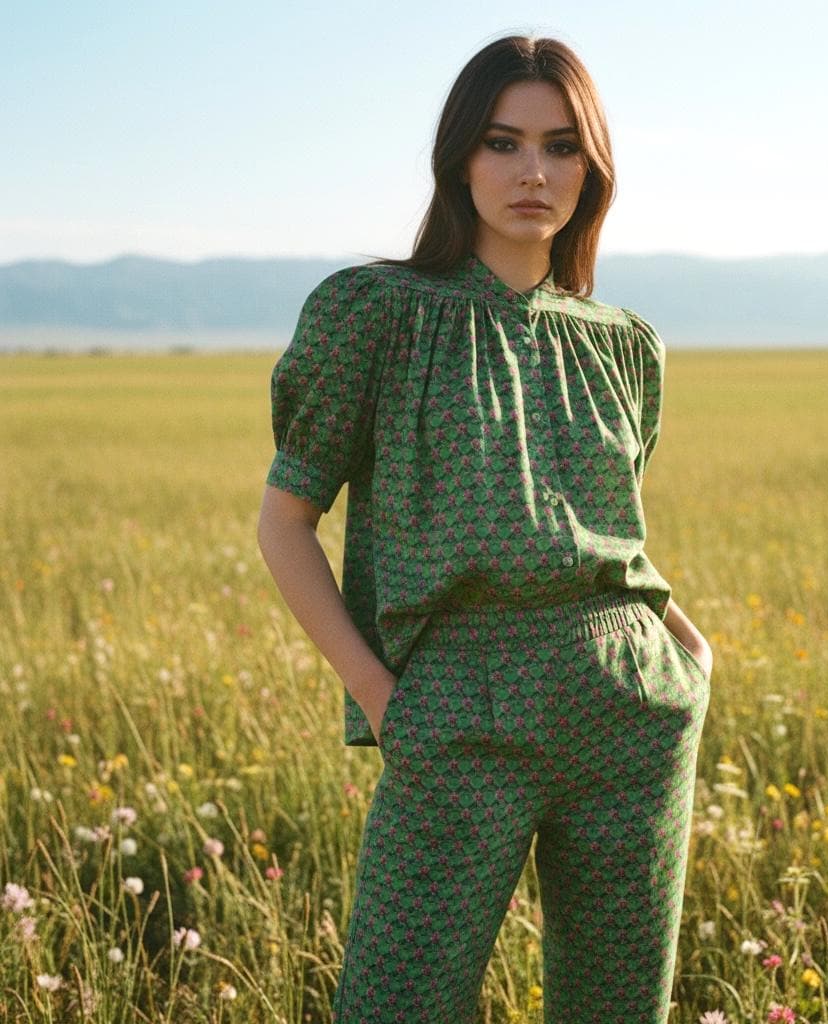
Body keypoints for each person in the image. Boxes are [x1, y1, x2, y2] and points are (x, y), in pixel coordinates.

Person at [257, 33, 712, 1024]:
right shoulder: (373, 313)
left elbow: (598, 520)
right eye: (503, 143)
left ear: (591, 168)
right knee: (395, 1003)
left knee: (615, 1008)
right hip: (457, 709)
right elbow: (285, 522)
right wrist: (381, 696)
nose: (533, 172)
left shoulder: (626, 345)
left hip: (632, 705)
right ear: (459, 156)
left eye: (560, 146)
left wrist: (685, 645)